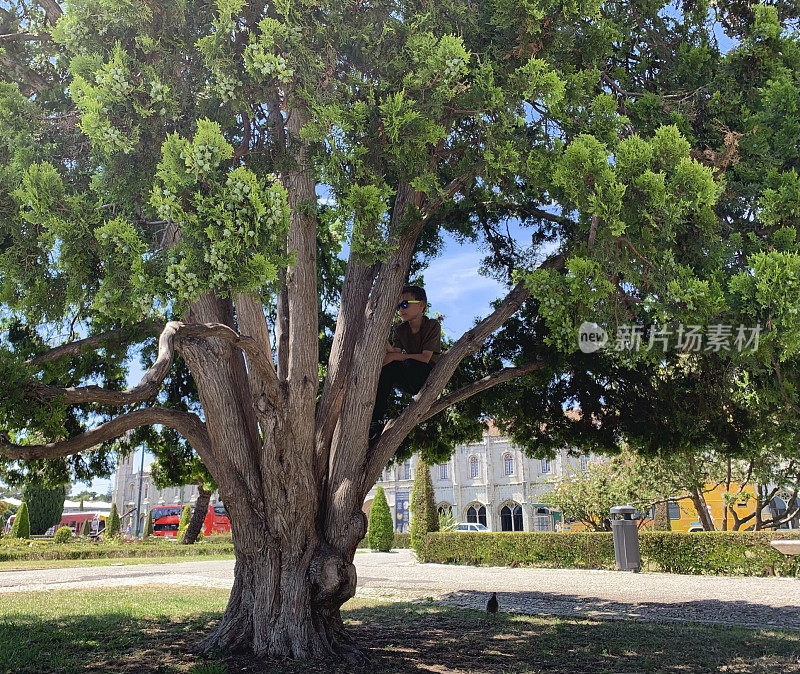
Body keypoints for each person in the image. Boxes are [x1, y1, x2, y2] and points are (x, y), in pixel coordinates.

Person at [370, 285, 441, 441]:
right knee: (387, 370)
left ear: (421, 305)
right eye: (398, 306)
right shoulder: (400, 329)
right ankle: (376, 421)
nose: (400, 309)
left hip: (424, 376)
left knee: (409, 362)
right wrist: (382, 340)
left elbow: (425, 358)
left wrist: (396, 357)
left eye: (404, 304)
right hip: (407, 375)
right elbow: (394, 354)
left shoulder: (432, 326)